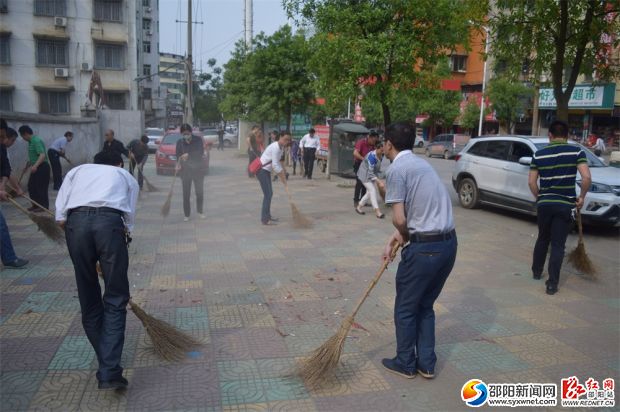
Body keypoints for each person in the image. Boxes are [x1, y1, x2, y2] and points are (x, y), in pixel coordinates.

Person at [55, 150, 138, 390]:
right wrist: (109, 247)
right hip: (110, 226)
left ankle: (107, 364)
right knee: (115, 297)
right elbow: (129, 220)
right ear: (119, 163)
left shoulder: (76, 171)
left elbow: (60, 216)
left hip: (76, 225)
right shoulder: (125, 175)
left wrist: (84, 242)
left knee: (89, 297)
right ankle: (109, 370)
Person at [381, 121, 457, 379]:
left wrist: (401, 233)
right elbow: (420, 213)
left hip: (425, 251)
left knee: (405, 307)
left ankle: (405, 362)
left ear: (388, 144)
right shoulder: (423, 164)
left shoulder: (397, 169)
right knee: (425, 305)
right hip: (447, 246)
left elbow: (400, 219)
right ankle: (426, 364)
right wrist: (398, 238)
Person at [528, 120, 591, 295]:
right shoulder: (577, 151)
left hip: (545, 204)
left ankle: (536, 271)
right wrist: (581, 198)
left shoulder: (539, 155)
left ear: (550, 135)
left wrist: (540, 197)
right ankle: (552, 284)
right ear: (567, 135)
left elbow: (531, 182)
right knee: (557, 245)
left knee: (542, 238)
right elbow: (586, 178)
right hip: (565, 205)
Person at [0, 119, 28, 268]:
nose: (3, 141)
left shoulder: (1, 147)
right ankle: (9, 258)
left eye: (4, 137)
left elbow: (5, 168)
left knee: (1, 226)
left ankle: (9, 258)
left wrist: (3, 186)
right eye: (0, 137)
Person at [256, 131, 291, 225]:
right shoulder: (275, 147)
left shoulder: (281, 148)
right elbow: (275, 165)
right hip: (262, 171)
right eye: (285, 139)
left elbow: (278, 162)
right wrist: (282, 177)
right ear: (280, 137)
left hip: (266, 171)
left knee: (269, 194)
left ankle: (267, 216)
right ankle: (264, 218)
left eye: (288, 140)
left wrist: (283, 174)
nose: (286, 142)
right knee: (268, 194)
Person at [176, 124, 206, 221]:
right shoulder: (179, 142)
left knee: (199, 193)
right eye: (184, 134)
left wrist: (188, 155)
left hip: (198, 170)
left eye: (187, 133)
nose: (186, 135)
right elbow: (178, 155)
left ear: (191, 132)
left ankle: (200, 211)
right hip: (185, 171)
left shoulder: (198, 140)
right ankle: (187, 214)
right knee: (186, 194)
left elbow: (200, 152)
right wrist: (178, 163)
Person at [18, 125, 50, 211]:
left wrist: (35, 166)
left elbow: (42, 155)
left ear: (25, 134)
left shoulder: (36, 141)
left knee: (40, 187)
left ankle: (43, 206)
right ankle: (36, 205)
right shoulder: (31, 142)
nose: (23, 138)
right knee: (31, 186)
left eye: (22, 136)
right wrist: (27, 166)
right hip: (36, 166)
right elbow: (34, 156)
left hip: (42, 167)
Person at [356, 142, 386, 218]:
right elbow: (370, 172)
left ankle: (359, 207)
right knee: (372, 191)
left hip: (371, 175)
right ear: (377, 148)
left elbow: (376, 170)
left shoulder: (380, 155)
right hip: (365, 175)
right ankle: (377, 211)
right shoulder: (371, 157)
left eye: (383, 150)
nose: (383, 152)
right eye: (381, 150)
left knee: (369, 193)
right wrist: (379, 181)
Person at [353, 130, 379, 208]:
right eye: (373, 140)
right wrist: (363, 159)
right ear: (369, 138)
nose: (374, 142)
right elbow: (355, 153)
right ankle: (356, 201)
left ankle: (362, 201)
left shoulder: (373, 145)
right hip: (359, 164)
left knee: (366, 183)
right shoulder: (361, 142)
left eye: (375, 140)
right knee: (359, 182)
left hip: (367, 165)